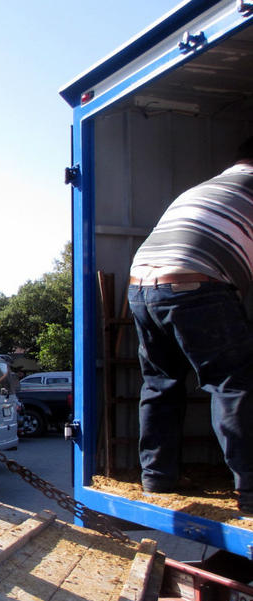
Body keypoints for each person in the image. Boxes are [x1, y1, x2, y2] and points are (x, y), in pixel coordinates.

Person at [127, 136, 253, 514]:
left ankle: (157, 480)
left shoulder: (206, 187)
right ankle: (250, 491)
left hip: (141, 287)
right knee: (234, 383)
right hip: (195, 283)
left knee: (160, 384)